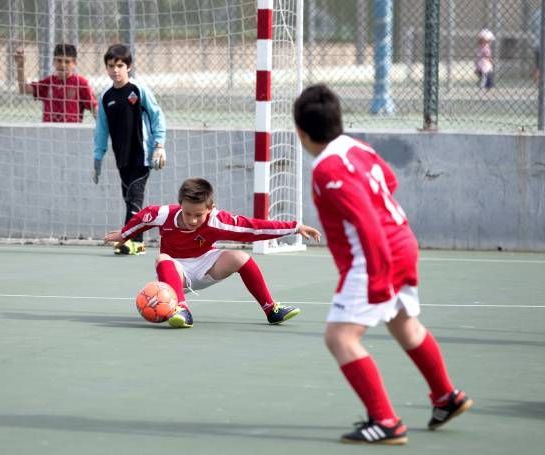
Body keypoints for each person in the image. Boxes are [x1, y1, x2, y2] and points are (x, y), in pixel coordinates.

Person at [293, 84, 472, 445]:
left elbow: (366, 223)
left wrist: (376, 277)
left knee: (340, 337)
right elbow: (388, 181)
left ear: (301, 131)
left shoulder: (327, 169)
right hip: (403, 241)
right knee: (403, 323)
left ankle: (385, 421)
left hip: (376, 253)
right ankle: (446, 397)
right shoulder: (356, 146)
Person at [104, 177, 321, 328]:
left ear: (210, 208)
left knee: (240, 257)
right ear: (180, 205)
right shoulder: (162, 214)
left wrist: (294, 227)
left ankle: (271, 310)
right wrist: (124, 235)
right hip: (175, 273)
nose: (193, 220)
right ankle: (181, 310)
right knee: (162, 258)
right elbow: (143, 218)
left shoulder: (217, 220)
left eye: (199, 215)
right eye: (188, 214)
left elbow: (252, 228)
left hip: (206, 264)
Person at [93, 43, 166, 256]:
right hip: (121, 157)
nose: (115, 70)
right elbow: (101, 130)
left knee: (134, 197)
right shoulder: (106, 97)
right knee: (130, 199)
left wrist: (159, 146)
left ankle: (129, 240)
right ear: (106, 68)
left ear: (129, 66)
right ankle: (139, 241)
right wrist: (97, 158)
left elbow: (157, 116)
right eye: (110, 66)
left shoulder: (138, 90)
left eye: (120, 65)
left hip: (142, 156)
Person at [14, 43, 97, 123]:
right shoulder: (49, 82)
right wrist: (20, 66)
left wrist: (105, 128)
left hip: (71, 132)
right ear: (54, 61)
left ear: (74, 63)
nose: (63, 65)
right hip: (49, 132)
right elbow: (24, 89)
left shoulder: (81, 83)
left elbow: (94, 107)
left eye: (67, 62)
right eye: (59, 61)